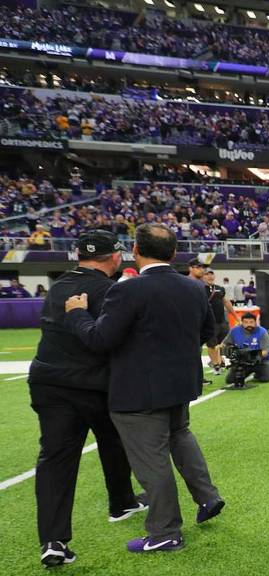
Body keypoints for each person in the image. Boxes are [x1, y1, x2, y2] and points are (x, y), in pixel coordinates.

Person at [65, 223, 226, 554]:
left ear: (135, 251)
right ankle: (208, 497)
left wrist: (77, 315)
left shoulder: (128, 290)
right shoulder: (195, 288)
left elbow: (101, 339)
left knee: (151, 459)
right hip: (180, 382)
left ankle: (165, 531)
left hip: (139, 389)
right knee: (180, 436)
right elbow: (206, 331)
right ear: (175, 253)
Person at [29, 231, 146, 567]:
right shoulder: (112, 290)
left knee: (55, 457)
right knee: (115, 437)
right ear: (114, 257)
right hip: (93, 382)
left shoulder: (59, 286)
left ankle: (53, 541)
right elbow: (110, 340)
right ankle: (121, 502)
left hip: (48, 380)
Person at [222, 312, 269, 385]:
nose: (249, 324)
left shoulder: (262, 332)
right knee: (231, 380)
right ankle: (246, 372)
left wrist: (252, 356)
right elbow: (225, 344)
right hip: (242, 361)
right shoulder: (234, 331)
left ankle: (257, 373)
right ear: (242, 322)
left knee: (265, 378)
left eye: (251, 322)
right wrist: (226, 352)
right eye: (246, 322)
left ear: (256, 322)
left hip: (262, 360)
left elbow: (265, 352)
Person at [202, 269, 234, 376]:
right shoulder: (199, 288)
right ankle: (216, 364)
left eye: (212, 274)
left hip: (222, 321)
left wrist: (236, 316)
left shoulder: (220, 289)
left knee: (222, 343)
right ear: (203, 276)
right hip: (209, 322)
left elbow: (226, 302)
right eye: (207, 274)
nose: (210, 276)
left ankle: (219, 360)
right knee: (211, 344)